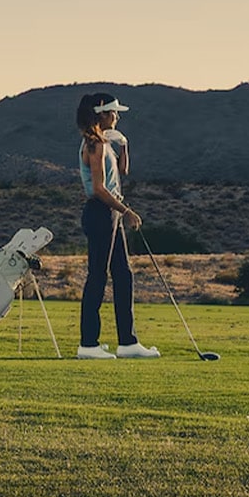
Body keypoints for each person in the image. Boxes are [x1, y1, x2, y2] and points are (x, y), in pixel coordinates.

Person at [74, 93, 158, 359]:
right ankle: (88, 345)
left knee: (123, 274)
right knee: (97, 277)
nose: (117, 117)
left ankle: (128, 342)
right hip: (101, 213)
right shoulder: (94, 145)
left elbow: (122, 172)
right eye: (113, 112)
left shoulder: (105, 144)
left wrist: (124, 146)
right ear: (102, 114)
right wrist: (127, 211)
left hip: (110, 213)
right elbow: (99, 189)